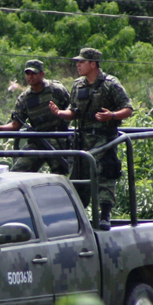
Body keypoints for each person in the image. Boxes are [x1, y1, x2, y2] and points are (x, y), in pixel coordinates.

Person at [48, 48, 133, 231]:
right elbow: (74, 112)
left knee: (105, 175)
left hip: (104, 138)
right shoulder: (78, 85)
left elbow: (128, 109)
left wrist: (112, 115)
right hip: (83, 139)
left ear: (93, 64)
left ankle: (105, 215)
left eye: (82, 62)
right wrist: (60, 113)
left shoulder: (110, 84)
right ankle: (76, 217)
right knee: (78, 177)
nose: (77, 65)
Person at [0, 59, 70, 175]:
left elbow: (72, 109)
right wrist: (0, 128)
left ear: (42, 74)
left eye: (34, 73)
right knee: (17, 173)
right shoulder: (24, 98)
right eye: (28, 74)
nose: (30, 77)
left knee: (61, 174)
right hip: (37, 140)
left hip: (58, 139)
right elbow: (15, 125)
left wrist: (61, 115)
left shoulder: (56, 90)